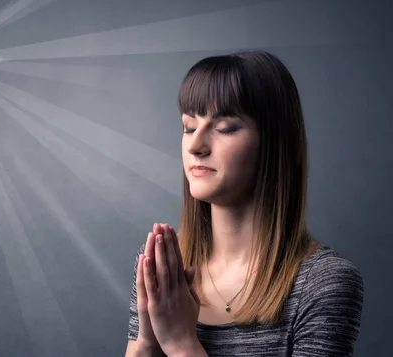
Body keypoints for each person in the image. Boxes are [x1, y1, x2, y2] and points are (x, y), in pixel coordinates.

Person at [124, 50, 364, 357]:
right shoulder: (163, 265)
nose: (196, 146)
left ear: (273, 142)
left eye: (224, 128)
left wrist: (181, 345)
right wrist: (147, 341)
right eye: (188, 127)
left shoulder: (324, 282)